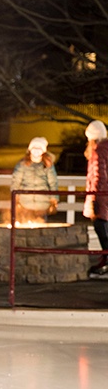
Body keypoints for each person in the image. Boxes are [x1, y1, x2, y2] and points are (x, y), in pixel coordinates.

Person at [10, 137, 59, 223]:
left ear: (43, 151)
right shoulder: (22, 164)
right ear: (30, 149)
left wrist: (54, 199)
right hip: (25, 203)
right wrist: (15, 198)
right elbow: (16, 181)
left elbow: (53, 182)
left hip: (42, 204)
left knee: (41, 229)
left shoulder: (48, 165)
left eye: (39, 148)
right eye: (34, 148)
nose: (36, 151)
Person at [84, 119, 108, 278]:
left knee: (101, 227)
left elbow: (99, 175)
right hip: (104, 195)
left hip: (102, 196)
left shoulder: (98, 151)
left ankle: (106, 261)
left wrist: (94, 198)